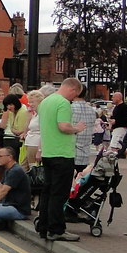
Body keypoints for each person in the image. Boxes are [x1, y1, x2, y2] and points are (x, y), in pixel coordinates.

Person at [37, 77, 88, 242]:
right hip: (62, 153)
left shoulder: (45, 101)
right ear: (72, 89)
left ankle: (43, 226)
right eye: (75, 95)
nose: (73, 99)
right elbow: (63, 126)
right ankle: (57, 229)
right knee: (59, 194)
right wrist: (76, 129)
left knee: (47, 192)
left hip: (48, 152)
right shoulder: (63, 103)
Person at [109, 91, 127, 168]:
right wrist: (111, 121)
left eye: (114, 97)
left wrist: (116, 121)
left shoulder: (124, 107)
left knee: (114, 146)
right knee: (118, 145)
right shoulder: (116, 107)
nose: (112, 98)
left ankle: (113, 163)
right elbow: (114, 117)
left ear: (118, 97)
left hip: (121, 127)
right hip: (116, 127)